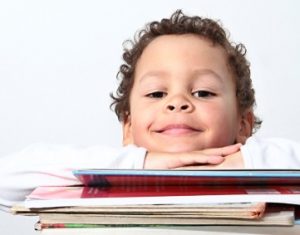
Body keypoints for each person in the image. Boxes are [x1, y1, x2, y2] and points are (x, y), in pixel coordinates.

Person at [0, 9, 299, 211]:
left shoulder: (266, 171)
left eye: (203, 92)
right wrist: (140, 162)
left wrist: (243, 163)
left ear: (243, 124)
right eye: (157, 93)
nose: (177, 102)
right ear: (128, 126)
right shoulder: (115, 172)